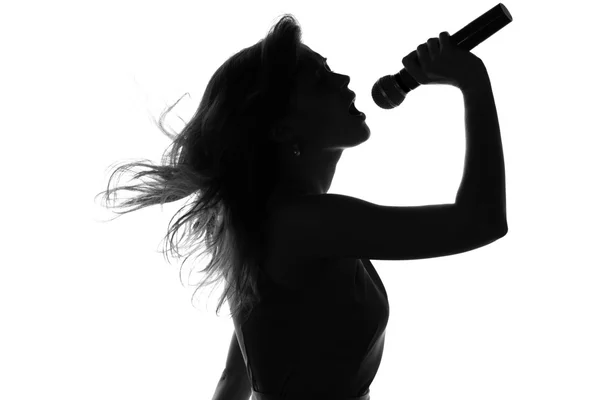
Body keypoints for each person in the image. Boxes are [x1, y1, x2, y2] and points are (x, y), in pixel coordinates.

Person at [97, 14, 507, 400]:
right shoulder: (305, 223)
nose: (344, 78)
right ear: (282, 128)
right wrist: (472, 81)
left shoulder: (270, 223)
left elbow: (236, 377)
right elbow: (481, 221)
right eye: (319, 78)